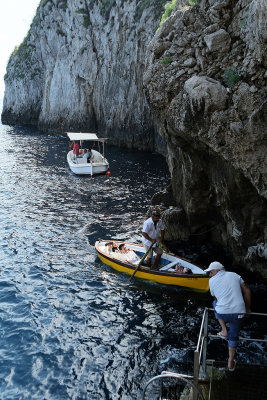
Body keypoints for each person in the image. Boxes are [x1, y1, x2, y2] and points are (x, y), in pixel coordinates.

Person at [204, 261, 251, 371]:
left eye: (210, 272)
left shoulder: (211, 281)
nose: (209, 274)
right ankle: (230, 363)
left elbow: (216, 298)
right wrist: (248, 308)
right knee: (233, 335)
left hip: (222, 314)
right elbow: (247, 291)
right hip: (239, 313)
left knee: (214, 304)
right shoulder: (235, 275)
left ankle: (224, 330)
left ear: (216, 271)